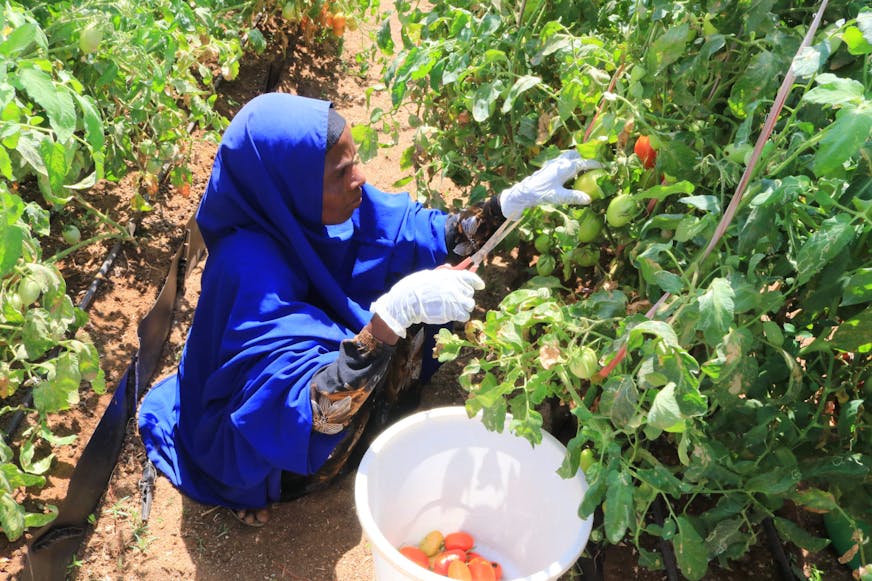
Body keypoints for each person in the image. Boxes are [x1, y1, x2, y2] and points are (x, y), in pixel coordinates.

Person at [138, 93, 600, 526]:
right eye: (341, 173)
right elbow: (316, 410)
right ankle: (280, 481)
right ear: (290, 186)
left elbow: (422, 234)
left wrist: (507, 204)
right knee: (368, 368)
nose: (359, 177)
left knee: (413, 290)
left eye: (354, 160)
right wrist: (387, 321)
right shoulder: (248, 269)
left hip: (305, 367)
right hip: (267, 430)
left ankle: (380, 389)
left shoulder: (314, 206)